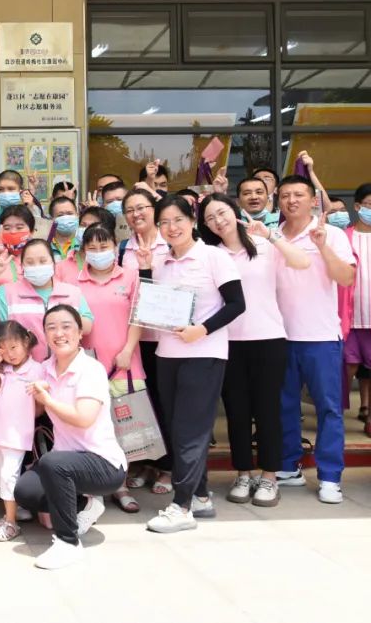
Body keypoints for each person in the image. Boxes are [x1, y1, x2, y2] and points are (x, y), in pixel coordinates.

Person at [136, 196, 245, 533]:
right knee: (176, 427)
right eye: (164, 222)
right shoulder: (161, 261)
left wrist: (203, 329)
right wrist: (143, 268)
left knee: (191, 431)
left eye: (178, 220)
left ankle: (181, 506)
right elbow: (151, 303)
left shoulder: (214, 257)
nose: (172, 227)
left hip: (205, 354)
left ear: (191, 220)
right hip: (168, 355)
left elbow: (237, 304)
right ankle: (200, 495)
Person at [199, 193, 310, 507]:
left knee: (267, 410)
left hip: (269, 339)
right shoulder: (211, 254)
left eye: (221, 212)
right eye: (210, 218)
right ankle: (243, 473)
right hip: (226, 342)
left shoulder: (264, 245)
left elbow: (302, 262)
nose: (218, 220)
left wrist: (271, 235)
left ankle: (270, 476)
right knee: (236, 411)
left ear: (234, 211)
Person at [14, 305, 127, 570]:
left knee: (54, 464)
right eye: (51, 327)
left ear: (79, 334)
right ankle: (85, 504)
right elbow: (36, 410)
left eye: (66, 326)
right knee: (26, 490)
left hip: (103, 464)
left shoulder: (91, 369)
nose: (59, 333)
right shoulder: (44, 368)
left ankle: (67, 543)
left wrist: (48, 399)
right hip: (67, 462)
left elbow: (83, 418)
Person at [273, 175, 356, 503]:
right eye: (284, 196)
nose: (291, 201)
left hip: (320, 336)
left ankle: (330, 476)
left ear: (312, 200)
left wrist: (321, 246)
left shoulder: (331, 234)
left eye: (298, 195)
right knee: (284, 406)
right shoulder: (272, 236)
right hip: (280, 336)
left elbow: (347, 277)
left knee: (329, 408)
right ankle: (288, 466)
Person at [75, 223, 146, 513]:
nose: (98, 252)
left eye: (104, 246)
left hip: (124, 363)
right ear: (84, 252)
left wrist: (128, 350)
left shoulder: (130, 276)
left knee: (122, 430)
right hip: (87, 366)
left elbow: (139, 316)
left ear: (115, 248)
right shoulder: (74, 282)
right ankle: (93, 490)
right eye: (92, 247)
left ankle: (120, 485)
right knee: (89, 429)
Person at [120, 187, 173, 495]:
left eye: (142, 207)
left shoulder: (171, 242)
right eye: (130, 209)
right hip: (133, 340)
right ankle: (142, 463)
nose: (136, 214)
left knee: (166, 404)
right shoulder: (122, 248)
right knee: (140, 406)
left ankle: (167, 467)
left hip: (166, 338)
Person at [0, 239, 93, 362]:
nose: (37, 266)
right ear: (22, 267)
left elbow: (87, 326)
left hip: (64, 370)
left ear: (53, 263)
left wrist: (61, 320)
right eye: (30, 262)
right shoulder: (6, 292)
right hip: (21, 373)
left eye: (43, 261)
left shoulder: (72, 292)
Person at [0, 320, 43, 542]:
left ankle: (12, 524)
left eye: (14, 347)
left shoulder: (37, 369)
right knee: (1, 477)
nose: (10, 354)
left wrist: (38, 399)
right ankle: (9, 515)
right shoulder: (4, 369)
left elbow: (39, 408)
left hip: (18, 434)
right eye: (4, 349)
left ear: (26, 342)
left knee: (9, 477)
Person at [346, 183, 371, 434]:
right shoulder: (343, 237)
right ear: (358, 206)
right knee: (346, 366)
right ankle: (333, 414)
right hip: (349, 319)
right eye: (370, 205)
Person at [55, 207, 116, 283]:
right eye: (83, 225)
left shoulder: (118, 266)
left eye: (92, 226)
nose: (85, 230)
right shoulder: (61, 267)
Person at [48, 196, 80, 262]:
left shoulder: (84, 243)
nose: (66, 218)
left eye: (70, 213)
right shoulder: (45, 245)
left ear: (77, 215)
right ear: (52, 219)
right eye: (60, 215)